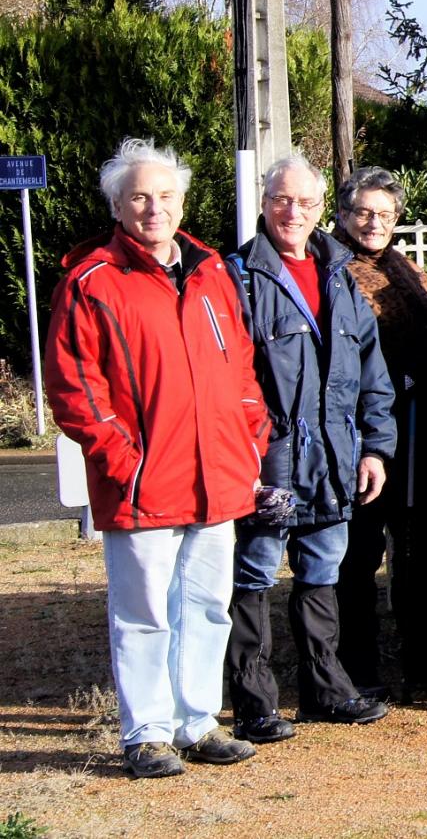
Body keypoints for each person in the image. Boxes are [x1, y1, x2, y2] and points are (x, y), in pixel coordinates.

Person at [46, 139, 270, 778]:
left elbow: (241, 369)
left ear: (182, 202)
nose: (154, 208)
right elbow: (75, 388)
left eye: (166, 196)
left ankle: (196, 722)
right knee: (143, 613)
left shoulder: (213, 274)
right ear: (117, 206)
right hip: (142, 482)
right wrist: (122, 457)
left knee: (204, 605)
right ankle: (146, 732)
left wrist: (250, 438)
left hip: (218, 474)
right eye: (139, 196)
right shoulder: (91, 281)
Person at [224, 155, 396, 744]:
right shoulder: (237, 276)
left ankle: (325, 691)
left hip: (334, 461)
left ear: (322, 209)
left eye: (304, 202)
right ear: (264, 202)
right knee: (252, 575)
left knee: (323, 572)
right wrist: (244, 459)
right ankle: (254, 703)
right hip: (268, 463)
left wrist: (376, 450)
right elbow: (228, 381)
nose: (292, 212)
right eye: (280, 199)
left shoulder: (340, 278)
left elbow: (373, 376)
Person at [330, 166, 427, 698]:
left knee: (416, 545)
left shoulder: (408, 269)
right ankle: (357, 663)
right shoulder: (331, 269)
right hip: (359, 429)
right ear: (343, 214)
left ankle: (421, 653)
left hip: (417, 425)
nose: (374, 222)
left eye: (384, 214)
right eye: (364, 213)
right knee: (358, 551)